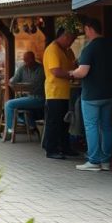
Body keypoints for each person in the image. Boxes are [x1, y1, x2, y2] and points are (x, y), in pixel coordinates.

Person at [68, 17, 112, 171]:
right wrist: (106, 80)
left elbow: (83, 71)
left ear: (89, 28)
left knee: (91, 126)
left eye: (85, 30)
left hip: (91, 95)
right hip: (109, 94)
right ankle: (106, 161)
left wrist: (72, 72)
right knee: (106, 126)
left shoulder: (89, 48)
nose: (85, 33)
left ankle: (93, 161)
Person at [41, 26, 77, 160]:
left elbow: (74, 65)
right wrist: (73, 75)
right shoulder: (52, 49)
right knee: (54, 122)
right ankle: (51, 149)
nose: (72, 42)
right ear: (65, 36)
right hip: (55, 92)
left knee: (65, 122)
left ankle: (64, 147)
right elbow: (55, 71)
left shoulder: (68, 51)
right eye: (71, 39)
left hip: (67, 91)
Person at [2, 51, 45, 142]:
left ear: (33, 59)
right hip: (28, 97)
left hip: (39, 97)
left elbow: (34, 84)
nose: (26, 63)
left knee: (9, 104)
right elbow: (12, 81)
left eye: (28, 60)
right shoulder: (22, 68)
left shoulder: (40, 69)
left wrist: (21, 85)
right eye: (25, 61)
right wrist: (15, 83)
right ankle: (31, 125)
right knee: (15, 108)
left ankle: (10, 130)